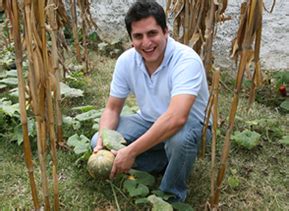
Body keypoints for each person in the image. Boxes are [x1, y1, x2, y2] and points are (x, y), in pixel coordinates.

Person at [91, 0, 211, 202]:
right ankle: (166, 160)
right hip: (149, 121)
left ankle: (170, 194)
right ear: (131, 39)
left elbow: (176, 118)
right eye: (138, 36)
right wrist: (104, 140)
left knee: (179, 140)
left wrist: (131, 151)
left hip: (191, 126)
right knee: (97, 140)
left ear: (166, 31)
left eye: (152, 33)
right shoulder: (126, 61)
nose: (146, 43)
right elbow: (112, 109)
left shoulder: (186, 60)